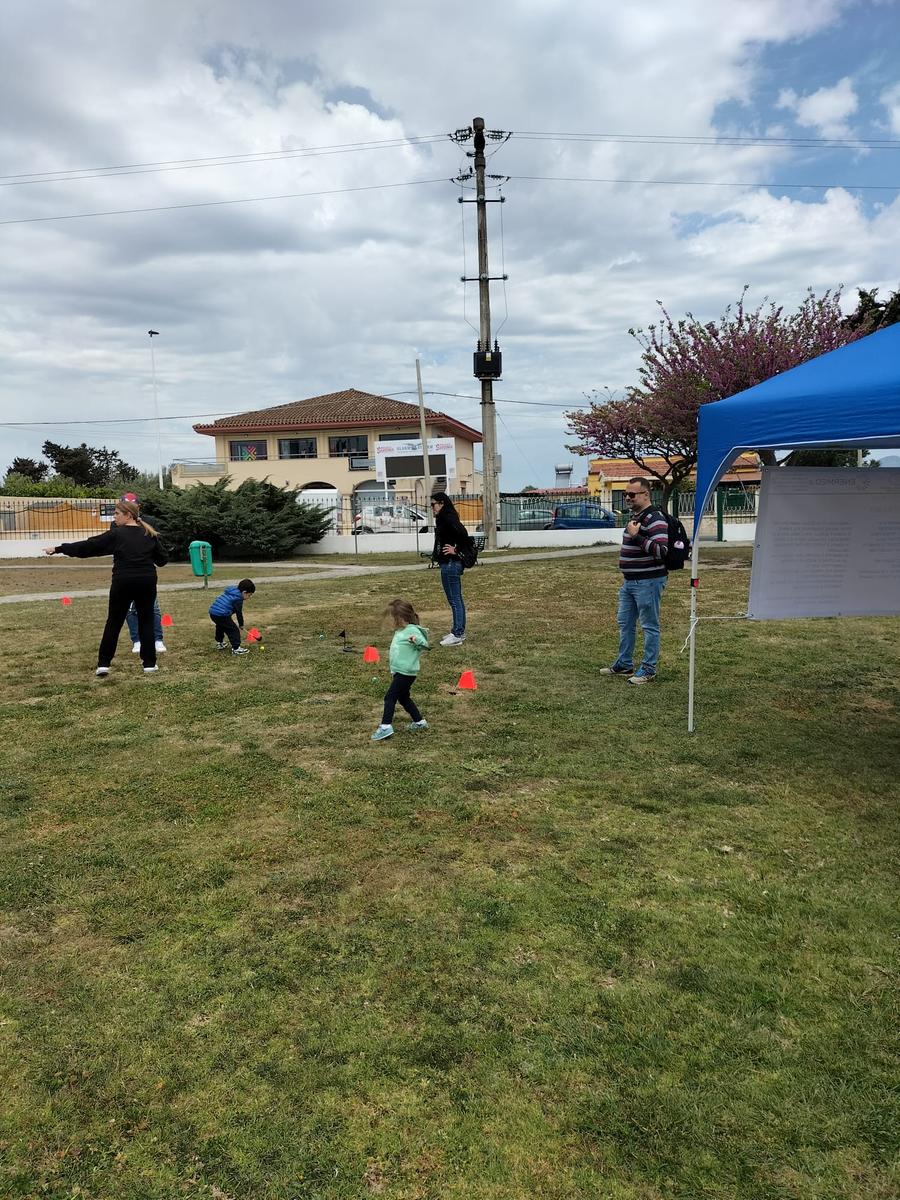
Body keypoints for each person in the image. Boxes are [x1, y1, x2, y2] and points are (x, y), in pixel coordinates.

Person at [43, 499, 167, 676]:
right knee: (145, 621)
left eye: (117, 513)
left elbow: (88, 547)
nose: (114, 517)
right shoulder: (149, 535)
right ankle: (149, 664)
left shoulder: (117, 534)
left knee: (114, 621)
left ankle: (103, 664)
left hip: (122, 581)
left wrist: (58, 548)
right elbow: (162, 560)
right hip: (146, 581)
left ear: (128, 515)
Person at [599, 477, 669, 684]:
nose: (627, 498)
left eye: (632, 494)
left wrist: (637, 537)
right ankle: (624, 663)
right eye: (625, 494)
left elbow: (662, 551)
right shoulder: (636, 517)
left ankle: (648, 669)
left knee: (649, 626)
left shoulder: (655, 518)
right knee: (625, 623)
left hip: (648, 581)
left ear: (646, 494)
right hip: (629, 582)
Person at [371, 598, 430, 741]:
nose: (392, 621)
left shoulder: (413, 630)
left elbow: (425, 645)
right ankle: (420, 722)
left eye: (393, 618)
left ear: (401, 618)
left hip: (406, 673)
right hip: (400, 672)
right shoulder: (402, 630)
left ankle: (385, 727)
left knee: (389, 697)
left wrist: (417, 641)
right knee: (403, 698)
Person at [430, 491, 473, 646]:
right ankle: (457, 630)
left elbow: (464, 535)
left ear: (442, 503)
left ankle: (458, 633)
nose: (432, 508)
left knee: (455, 599)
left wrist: (456, 550)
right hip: (448, 563)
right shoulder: (446, 518)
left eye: (433, 504)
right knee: (455, 599)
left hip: (451, 563)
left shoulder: (447, 518)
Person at [209, 579, 255, 655]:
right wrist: (241, 624)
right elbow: (238, 613)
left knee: (220, 626)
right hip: (222, 614)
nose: (249, 597)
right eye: (249, 595)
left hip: (213, 613)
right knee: (233, 630)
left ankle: (220, 643)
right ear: (244, 592)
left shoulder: (232, 592)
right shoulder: (238, 599)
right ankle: (236, 648)